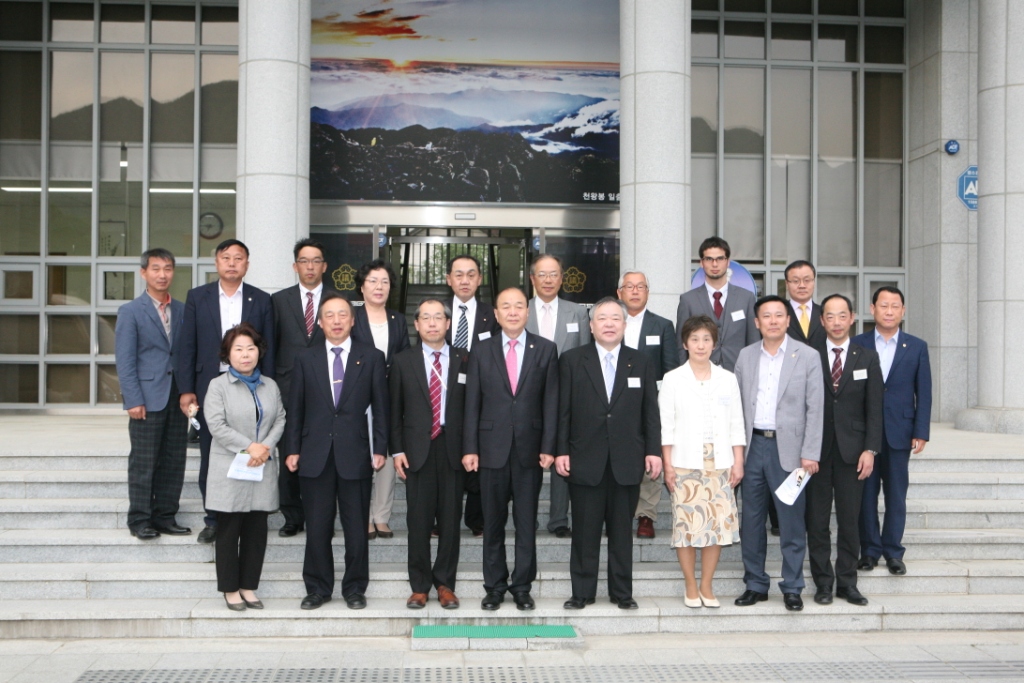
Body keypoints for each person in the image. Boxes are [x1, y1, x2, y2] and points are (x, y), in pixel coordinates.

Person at [284, 293, 388, 610]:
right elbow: (296, 408)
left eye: (343, 314)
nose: (337, 320)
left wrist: (380, 447)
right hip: (314, 454)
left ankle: (355, 588)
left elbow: (382, 407)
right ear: (320, 322)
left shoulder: (371, 357)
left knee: (356, 528)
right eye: (330, 315)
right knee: (317, 527)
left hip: (355, 452)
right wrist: (292, 449)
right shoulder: (305, 358)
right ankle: (318, 587)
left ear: (353, 320)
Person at [556, 298, 661, 610]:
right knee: (584, 533)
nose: (609, 323)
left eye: (616, 318)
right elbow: (563, 411)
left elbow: (650, 412)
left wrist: (653, 451)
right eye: (602, 318)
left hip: (627, 460)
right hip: (584, 458)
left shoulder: (640, 361)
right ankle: (582, 593)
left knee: (621, 533)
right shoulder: (572, 360)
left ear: (625, 326)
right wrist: (560, 450)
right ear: (592, 325)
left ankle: (622, 593)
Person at [464, 287, 559, 611]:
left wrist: (549, 446)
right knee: (491, 524)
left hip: (529, 451)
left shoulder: (545, 349)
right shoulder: (482, 349)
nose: (514, 312)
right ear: (497, 313)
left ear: (528, 312)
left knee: (525, 523)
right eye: (507, 306)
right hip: (490, 449)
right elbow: (471, 403)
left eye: (519, 306)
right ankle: (494, 587)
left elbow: (551, 402)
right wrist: (469, 447)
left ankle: (521, 586)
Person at [177, 239, 275, 544]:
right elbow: (187, 345)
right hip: (213, 388)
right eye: (226, 258)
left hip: (251, 388)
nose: (232, 263)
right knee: (213, 456)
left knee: (251, 451)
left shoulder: (261, 299)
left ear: (247, 264)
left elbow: (268, 348)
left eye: (239, 258)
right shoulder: (198, 297)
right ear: (217, 263)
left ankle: (249, 514)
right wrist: (186, 390)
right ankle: (214, 519)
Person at [732, 295, 823, 612]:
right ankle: (755, 583)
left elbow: (816, 408)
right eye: (766, 316)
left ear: (788, 321)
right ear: (756, 323)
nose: (772, 321)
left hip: (792, 452)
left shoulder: (807, 356)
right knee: (752, 521)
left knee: (792, 522)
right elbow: (736, 407)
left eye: (778, 315)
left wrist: (810, 452)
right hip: (753, 445)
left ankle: (793, 586)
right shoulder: (745, 357)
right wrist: (736, 452)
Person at [659, 315, 745, 608]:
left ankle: (707, 585)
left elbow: (737, 423)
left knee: (716, 528)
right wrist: (667, 465)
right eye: (694, 339)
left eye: (706, 339)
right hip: (684, 462)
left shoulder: (727, 378)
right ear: (685, 343)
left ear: (714, 343)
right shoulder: (672, 379)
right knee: (687, 527)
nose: (700, 345)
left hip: (720, 461)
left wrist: (738, 461)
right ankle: (690, 584)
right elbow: (666, 425)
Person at [390, 299, 470, 609]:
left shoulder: (466, 359)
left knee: (451, 522)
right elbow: (394, 411)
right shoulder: (402, 361)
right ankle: (420, 586)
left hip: (454, 450)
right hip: (416, 452)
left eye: (439, 317)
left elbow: (473, 408)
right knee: (418, 522)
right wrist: (396, 450)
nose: (433, 323)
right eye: (427, 318)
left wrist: (471, 448)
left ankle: (445, 584)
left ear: (448, 324)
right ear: (418, 325)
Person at [806, 294, 883, 607]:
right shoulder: (808, 355)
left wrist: (871, 450)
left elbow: (874, 408)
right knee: (818, 522)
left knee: (850, 521)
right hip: (816, 453)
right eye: (829, 316)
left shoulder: (867, 356)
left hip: (854, 453)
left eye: (842, 316)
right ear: (822, 320)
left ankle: (848, 583)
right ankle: (823, 583)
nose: (836, 322)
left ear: (852, 318)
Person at [203, 323, 286, 611]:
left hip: (261, 467)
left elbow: (280, 419)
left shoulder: (270, 385)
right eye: (238, 349)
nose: (245, 354)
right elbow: (216, 425)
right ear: (228, 354)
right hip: (231, 469)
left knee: (256, 531)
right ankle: (230, 589)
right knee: (228, 532)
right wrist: (249, 446)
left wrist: (264, 448)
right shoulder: (218, 386)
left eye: (250, 348)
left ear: (259, 352)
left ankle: (249, 586)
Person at [853, 286, 932, 577]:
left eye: (894, 306)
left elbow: (924, 392)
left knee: (896, 496)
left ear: (903, 311)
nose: (889, 311)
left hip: (900, 431)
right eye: (883, 305)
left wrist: (921, 430)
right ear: (872, 309)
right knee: (866, 495)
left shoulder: (917, 346)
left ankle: (894, 552)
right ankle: (870, 551)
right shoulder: (857, 343)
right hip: (864, 435)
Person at [115, 248, 190, 540]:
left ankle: (165, 516)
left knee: (174, 459)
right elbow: (125, 359)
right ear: (143, 272)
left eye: (168, 268)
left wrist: (190, 392)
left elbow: (185, 353)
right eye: (156, 268)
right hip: (146, 397)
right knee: (145, 461)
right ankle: (140, 520)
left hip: (177, 396)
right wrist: (132, 399)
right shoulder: (131, 311)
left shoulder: (183, 310)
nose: (162, 274)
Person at [271, 238, 339, 538]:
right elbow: (270, 346)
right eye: (304, 260)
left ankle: (321, 515)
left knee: (326, 456)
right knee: (289, 451)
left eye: (315, 261)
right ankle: (292, 515)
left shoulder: (338, 300)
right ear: (295, 265)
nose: (310, 266)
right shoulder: (278, 300)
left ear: (324, 266)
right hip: (287, 388)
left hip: (329, 390)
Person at [525, 254, 591, 539]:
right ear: (532, 279)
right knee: (529, 459)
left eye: (554, 274)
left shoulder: (577, 312)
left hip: (567, 397)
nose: (548, 280)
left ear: (562, 278)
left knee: (563, 454)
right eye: (542, 274)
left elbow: (586, 353)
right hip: (527, 398)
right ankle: (526, 516)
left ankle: (558, 519)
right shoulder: (521, 309)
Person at [351, 259, 410, 541]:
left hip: (388, 397)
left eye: (384, 281)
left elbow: (405, 360)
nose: (379, 287)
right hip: (356, 398)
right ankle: (363, 515)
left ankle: (382, 516)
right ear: (362, 287)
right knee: (360, 455)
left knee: (386, 454)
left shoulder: (398, 320)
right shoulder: (350, 316)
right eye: (373, 281)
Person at [617, 270, 679, 539]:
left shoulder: (662, 326)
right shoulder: (608, 320)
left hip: (650, 402)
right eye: (629, 286)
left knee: (650, 455)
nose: (634, 291)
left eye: (640, 286)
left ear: (647, 292)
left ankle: (646, 515)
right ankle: (618, 513)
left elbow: (670, 370)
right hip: (614, 403)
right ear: (620, 293)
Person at [444, 253, 498, 537]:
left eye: (471, 274)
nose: (465, 280)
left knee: (480, 454)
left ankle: (477, 519)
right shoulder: (436, 312)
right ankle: (443, 520)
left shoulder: (493, 314)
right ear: (448, 279)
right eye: (459, 274)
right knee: (447, 458)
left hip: (484, 396)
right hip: (444, 395)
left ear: (479, 279)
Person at [675, 237, 758, 372]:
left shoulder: (746, 298)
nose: (715, 264)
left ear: (728, 262)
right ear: (701, 263)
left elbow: (753, 342)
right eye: (709, 259)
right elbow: (680, 344)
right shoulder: (688, 300)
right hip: (699, 375)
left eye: (720, 259)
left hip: (738, 374)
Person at [784, 260, 827, 353]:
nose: (802, 286)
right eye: (796, 281)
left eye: (807, 280)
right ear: (787, 284)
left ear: (814, 282)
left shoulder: (825, 313)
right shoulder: (780, 314)